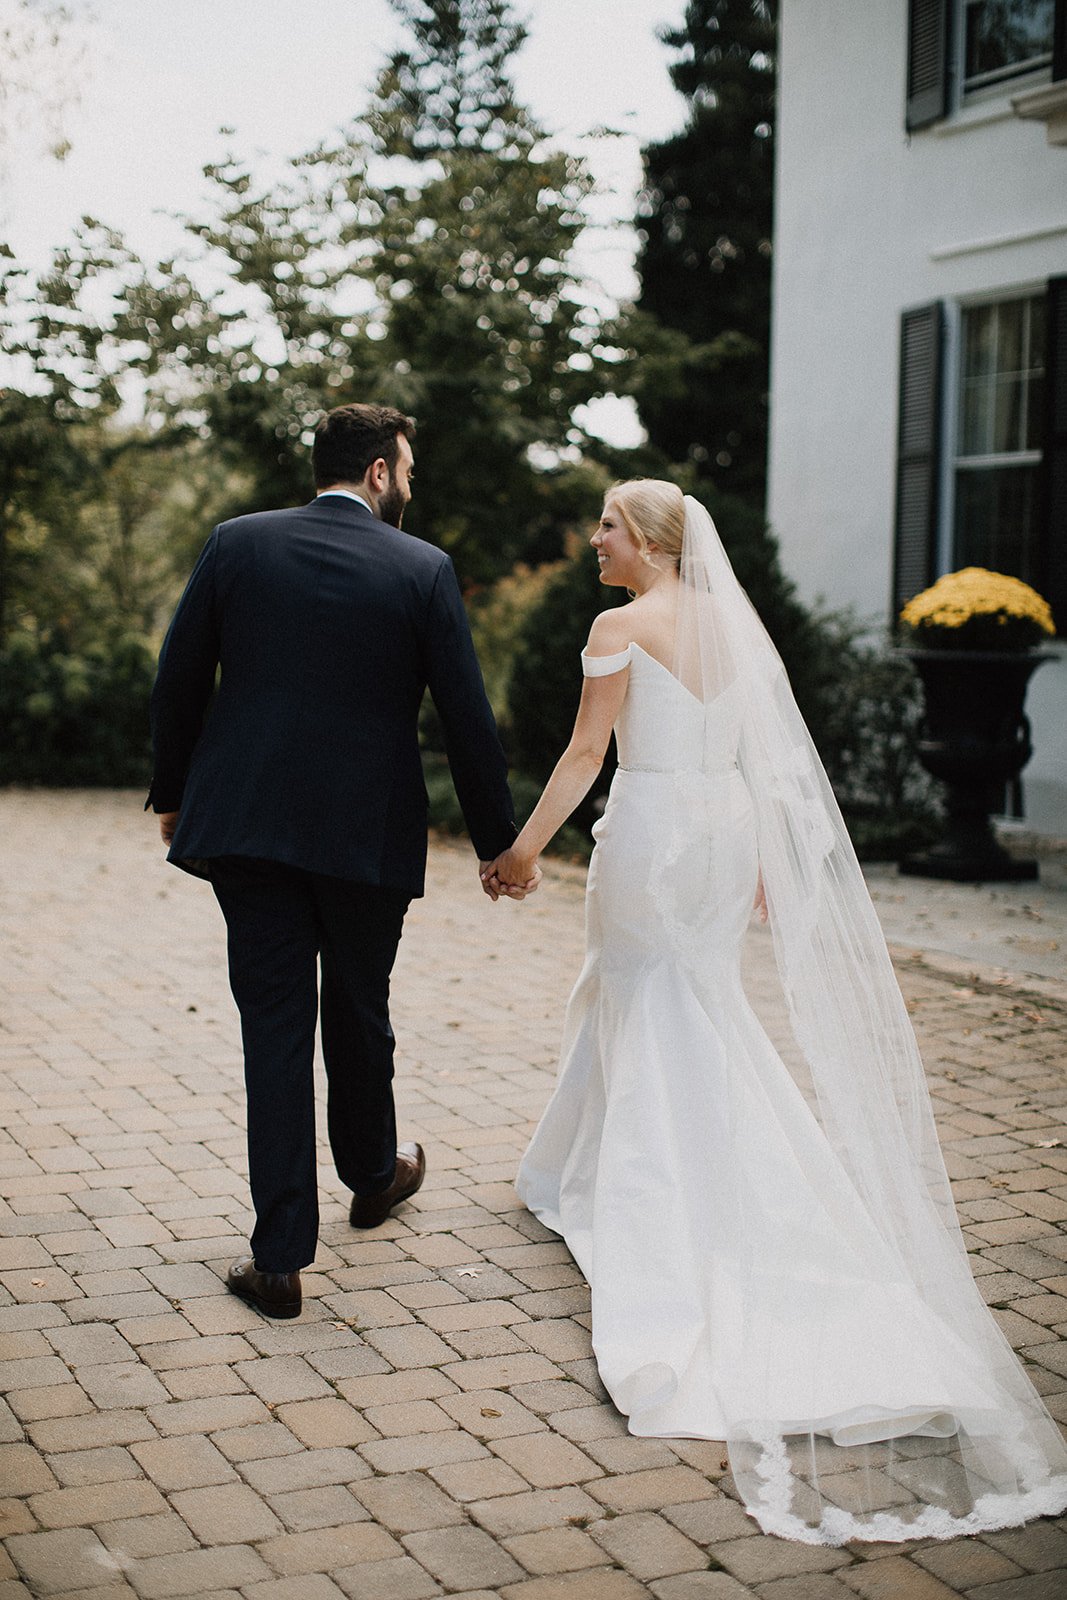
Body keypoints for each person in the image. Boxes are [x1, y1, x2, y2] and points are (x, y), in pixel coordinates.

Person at [482, 480, 1067, 1544]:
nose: (594, 541)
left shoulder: (621, 624)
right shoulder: (729, 624)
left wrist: (522, 849)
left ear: (651, 542)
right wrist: (756, 862)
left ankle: (663, 1196)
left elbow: (582, 756)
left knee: (648, 1003)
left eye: (609, 526)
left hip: (656, 827)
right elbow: (763, 757)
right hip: (722, 829)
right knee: (689, 1001)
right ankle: (570, 1160)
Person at [148, 402, 535, 1321]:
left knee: (274, 1028)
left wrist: (172, 795)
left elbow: (178, 673)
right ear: (376, 472)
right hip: (366, 835)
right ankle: (371, 1174)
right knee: (360, 1007)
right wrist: (498, 846)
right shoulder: (423, 567)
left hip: (248, 829)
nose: (409, 486)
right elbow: (466, 720)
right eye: (406, 469)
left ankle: (278, 1259)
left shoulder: (236, 543)